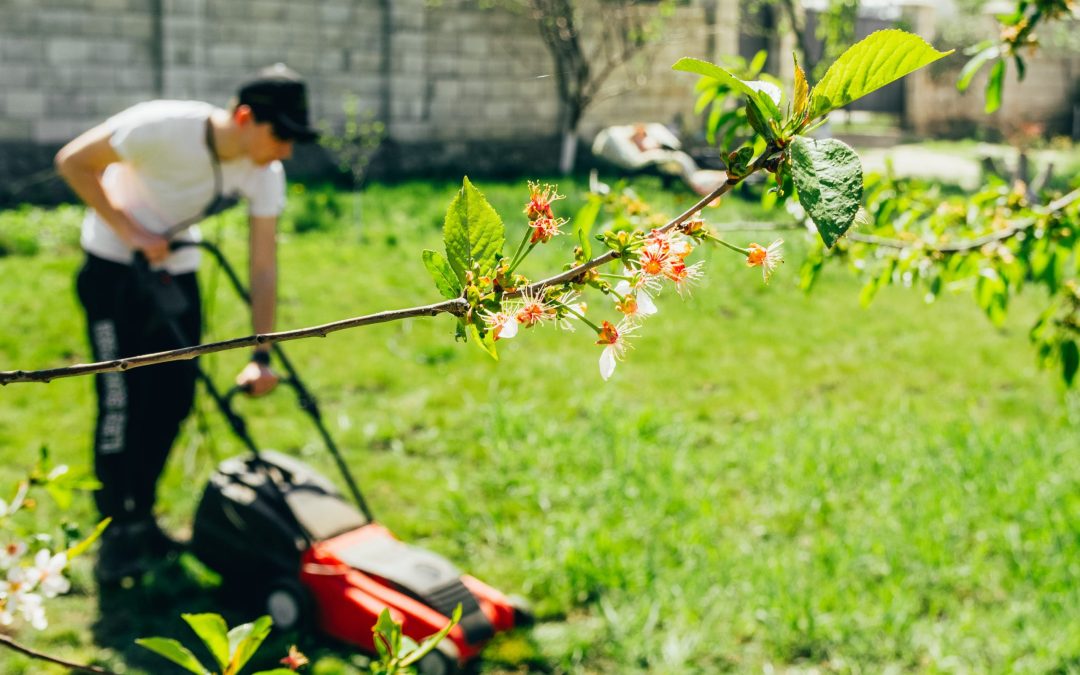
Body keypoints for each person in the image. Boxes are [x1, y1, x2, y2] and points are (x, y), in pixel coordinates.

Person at [54, 64, 319, 583]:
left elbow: (262, 269)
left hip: (175, 278)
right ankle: (114, 533)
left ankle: (142, 516)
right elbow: (73, 163)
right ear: (245, 117)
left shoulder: (262, 171)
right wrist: (131, 232)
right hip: (113, 275)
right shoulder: (161, 126)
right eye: (281, 134)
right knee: (120, 405)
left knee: (172, 401)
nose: (287, 150)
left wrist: (261, 355)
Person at [591, 123, 725, 196]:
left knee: (683, 161)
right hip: (656, 159)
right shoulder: (627, 144)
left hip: (660, 158)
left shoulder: (629, 141)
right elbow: (636, 157)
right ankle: (706, 182)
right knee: (681, 161)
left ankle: (713, 178)